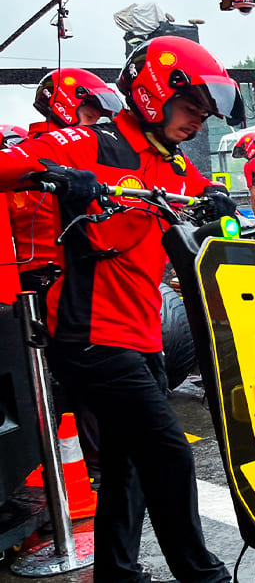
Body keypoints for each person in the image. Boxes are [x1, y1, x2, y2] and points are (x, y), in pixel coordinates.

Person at [0, 35, 238, 583]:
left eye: (205, 113)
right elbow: (10, 163)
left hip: (141, 335)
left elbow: (198, 190)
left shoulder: (168, 164)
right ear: (156, 95)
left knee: (129, 464)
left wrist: (216, 199)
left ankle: (117, 573)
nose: (199, 121)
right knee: (169, 453)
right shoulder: (89, 143)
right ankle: (203, 574)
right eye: (190, 108)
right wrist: (54, 175)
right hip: (89, 337)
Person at [8, 68, 122, 484]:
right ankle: (83, 473)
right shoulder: (30, 154)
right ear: (67, 105)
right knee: (63, 385)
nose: (96, 123)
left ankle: (95, 469)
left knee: (88, 383)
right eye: (91, 112)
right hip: (40, 283)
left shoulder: (91, 154)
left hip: (77, 278)